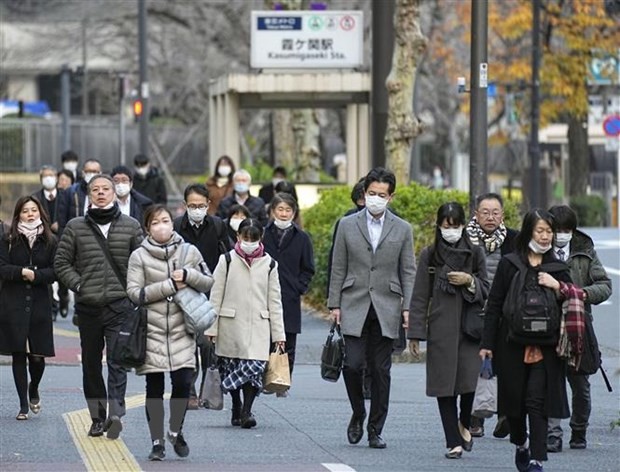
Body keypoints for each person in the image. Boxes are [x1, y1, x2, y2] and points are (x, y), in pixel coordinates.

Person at [328, 167, 416, 449]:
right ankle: (358, 412)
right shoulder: (347, 224)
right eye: (371, 193)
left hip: (387, 305)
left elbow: (408, 271)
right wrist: (334, 304)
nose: (375, 198)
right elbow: (338, 265)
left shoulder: (403, 229)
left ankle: (375, 428)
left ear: (391, 197)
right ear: (364, 195)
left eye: (382, 194)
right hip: (353, 301)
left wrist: (408, 307)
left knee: (381, 371)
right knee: (352, 365)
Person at [480, 208, 571, 472]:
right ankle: (521, 443)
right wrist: (486, 344)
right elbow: (494, 304)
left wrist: (557, 285)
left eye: (549, 232)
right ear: (528, 231)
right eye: (540, 231)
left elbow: (574, 299)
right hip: (510, 344)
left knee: (536, 402)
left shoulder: (558, 268)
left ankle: (536, 459)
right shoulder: (510, 263)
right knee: (515, 405)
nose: (545, 237)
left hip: (547, 346)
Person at [55, 174, 144, 440]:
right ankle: (97, 418)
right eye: (96, 189)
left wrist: (133, 293)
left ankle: (115, 414)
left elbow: (142, 263)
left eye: (106, 188)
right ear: (89, 194)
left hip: (120, 306)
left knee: (117, 362)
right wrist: (79, 286)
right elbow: (61, 263)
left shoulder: (130, 225)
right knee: (91, 365)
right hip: (89, 307)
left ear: (115, 192)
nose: (101, 193)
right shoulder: (75, 226)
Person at [127, 204, 214, 461]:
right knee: (154, 387)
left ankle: (175, 431)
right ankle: (157, 443)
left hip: (182, 330)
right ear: (147, 228)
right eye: (155, 222)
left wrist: (188, 275)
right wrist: (168, 285)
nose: (162, 226)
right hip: (151, 332)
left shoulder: (189, 250)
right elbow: (135, 294)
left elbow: (209, 280)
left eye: (165, 220)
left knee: (183, 383)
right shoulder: (138, 256)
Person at [408, 202, 490, 459]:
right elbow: (420, 296)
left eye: (456, 226)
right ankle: (452, 441)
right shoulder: (430, 255)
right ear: (439, 226)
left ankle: (464, 422)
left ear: (463, 226)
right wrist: (415, 333)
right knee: (443, 387)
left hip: (470, 328)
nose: (451, 230)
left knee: (468, 384)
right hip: (441, 328)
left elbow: (488, 290)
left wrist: (470, 281)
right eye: (446, 226)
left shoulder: (475, 254)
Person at [206, 218, 286, 429]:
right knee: (232, 367)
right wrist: (211, 327)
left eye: (254, 238)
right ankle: (236, 404)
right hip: (230, 323)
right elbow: (216, 294)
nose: (249, 242)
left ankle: (246, 411)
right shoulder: (227, 260)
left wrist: (279, 335)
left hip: (259, 325)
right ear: (238, 237)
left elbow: (275, 300)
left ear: (261, 239)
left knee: (254, 368)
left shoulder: (270, 264)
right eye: (245, 238)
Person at [545, 205, 612, 453]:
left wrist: (581, 294)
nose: (560, 235)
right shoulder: (539, 248)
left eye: (566, 230)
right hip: (548, 325)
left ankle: (579, 430)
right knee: (551, 381)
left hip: (578, 325)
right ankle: (553, 433)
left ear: (572, 230)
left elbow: (604, 284)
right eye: (556, 230)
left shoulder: (585, 250)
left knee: (580, 384)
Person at [173, 183, 230, 409]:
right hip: (183, 293)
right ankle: (189, 391)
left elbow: (227, 257)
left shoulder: (217, 226)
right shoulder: (176, 226)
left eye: (201, 205)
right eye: (192, 205)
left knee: (207, 345)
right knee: (186, 344)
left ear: (208, 205)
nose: (197, 209)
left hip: (209, 293)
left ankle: (209, 389)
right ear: (185, 205)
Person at [466, 192, 518, 438]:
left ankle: (504, 415)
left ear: (503, 215)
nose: (490, 217)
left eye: (495, 212)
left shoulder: (514, 240)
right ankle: (475, 418)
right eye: (485, 212)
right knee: (477, 364)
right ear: (476, 214)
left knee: (505, 365)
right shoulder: (465, 240)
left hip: (505, 311)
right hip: (474, 309)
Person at [0, 196, 57, 420]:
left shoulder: (51, 240)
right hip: (12, 302)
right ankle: (23, 404)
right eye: (25, 211)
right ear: (18, 215)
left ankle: (33, 388)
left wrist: (37, 275)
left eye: (34, 210)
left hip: (40, 301)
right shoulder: (7, 238)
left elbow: (56, 270)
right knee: (18, 354)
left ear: (40, 213)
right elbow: (2, 267)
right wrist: (22, 272)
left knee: (37, 357)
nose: (30, 214)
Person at [262, 193, 315, 394]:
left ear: (294, 213)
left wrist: (299, 287)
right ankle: (265, 379)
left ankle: (283, 380)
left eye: (288, 210)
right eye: (280, 209)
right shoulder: (263, 235)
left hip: (290, 296)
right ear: (272, 211)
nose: (284, 214)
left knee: (288, 340)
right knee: (266, 338)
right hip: (264, 295)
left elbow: (308, 268)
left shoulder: (302, 238)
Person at [32, 165, 67, 320]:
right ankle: (52, 306)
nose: (49, 178)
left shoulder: (65, 196)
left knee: (63, 275)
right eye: (45, 176)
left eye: (51, 175)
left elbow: (72, 215)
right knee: (47, 275)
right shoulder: (35, 198)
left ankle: (63, 299)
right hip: (44, 242)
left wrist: (61, 225)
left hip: (64, 241)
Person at [57, 158, 102, 231]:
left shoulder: (106, 193)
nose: (91, 174)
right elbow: (62, 221)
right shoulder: (71, 192)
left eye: (94, 171)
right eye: (88, 171)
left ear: (100, 173)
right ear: (83, 172)